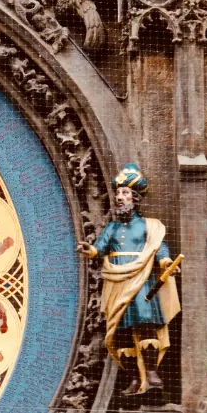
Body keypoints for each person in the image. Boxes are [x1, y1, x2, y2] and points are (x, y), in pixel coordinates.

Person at [77, 163, 179, 396]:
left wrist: (165, 263)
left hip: (141, 281)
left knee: (145, 325)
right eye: (118, 193)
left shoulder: (148, 226)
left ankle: (151, 373)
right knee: (121, 331)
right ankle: (134, 377)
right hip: (117, 282)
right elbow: (99, 249)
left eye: (124, 193)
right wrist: (90, 251)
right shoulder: (112, 229)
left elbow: (159, 247)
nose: (119, 198)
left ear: (135, 198)